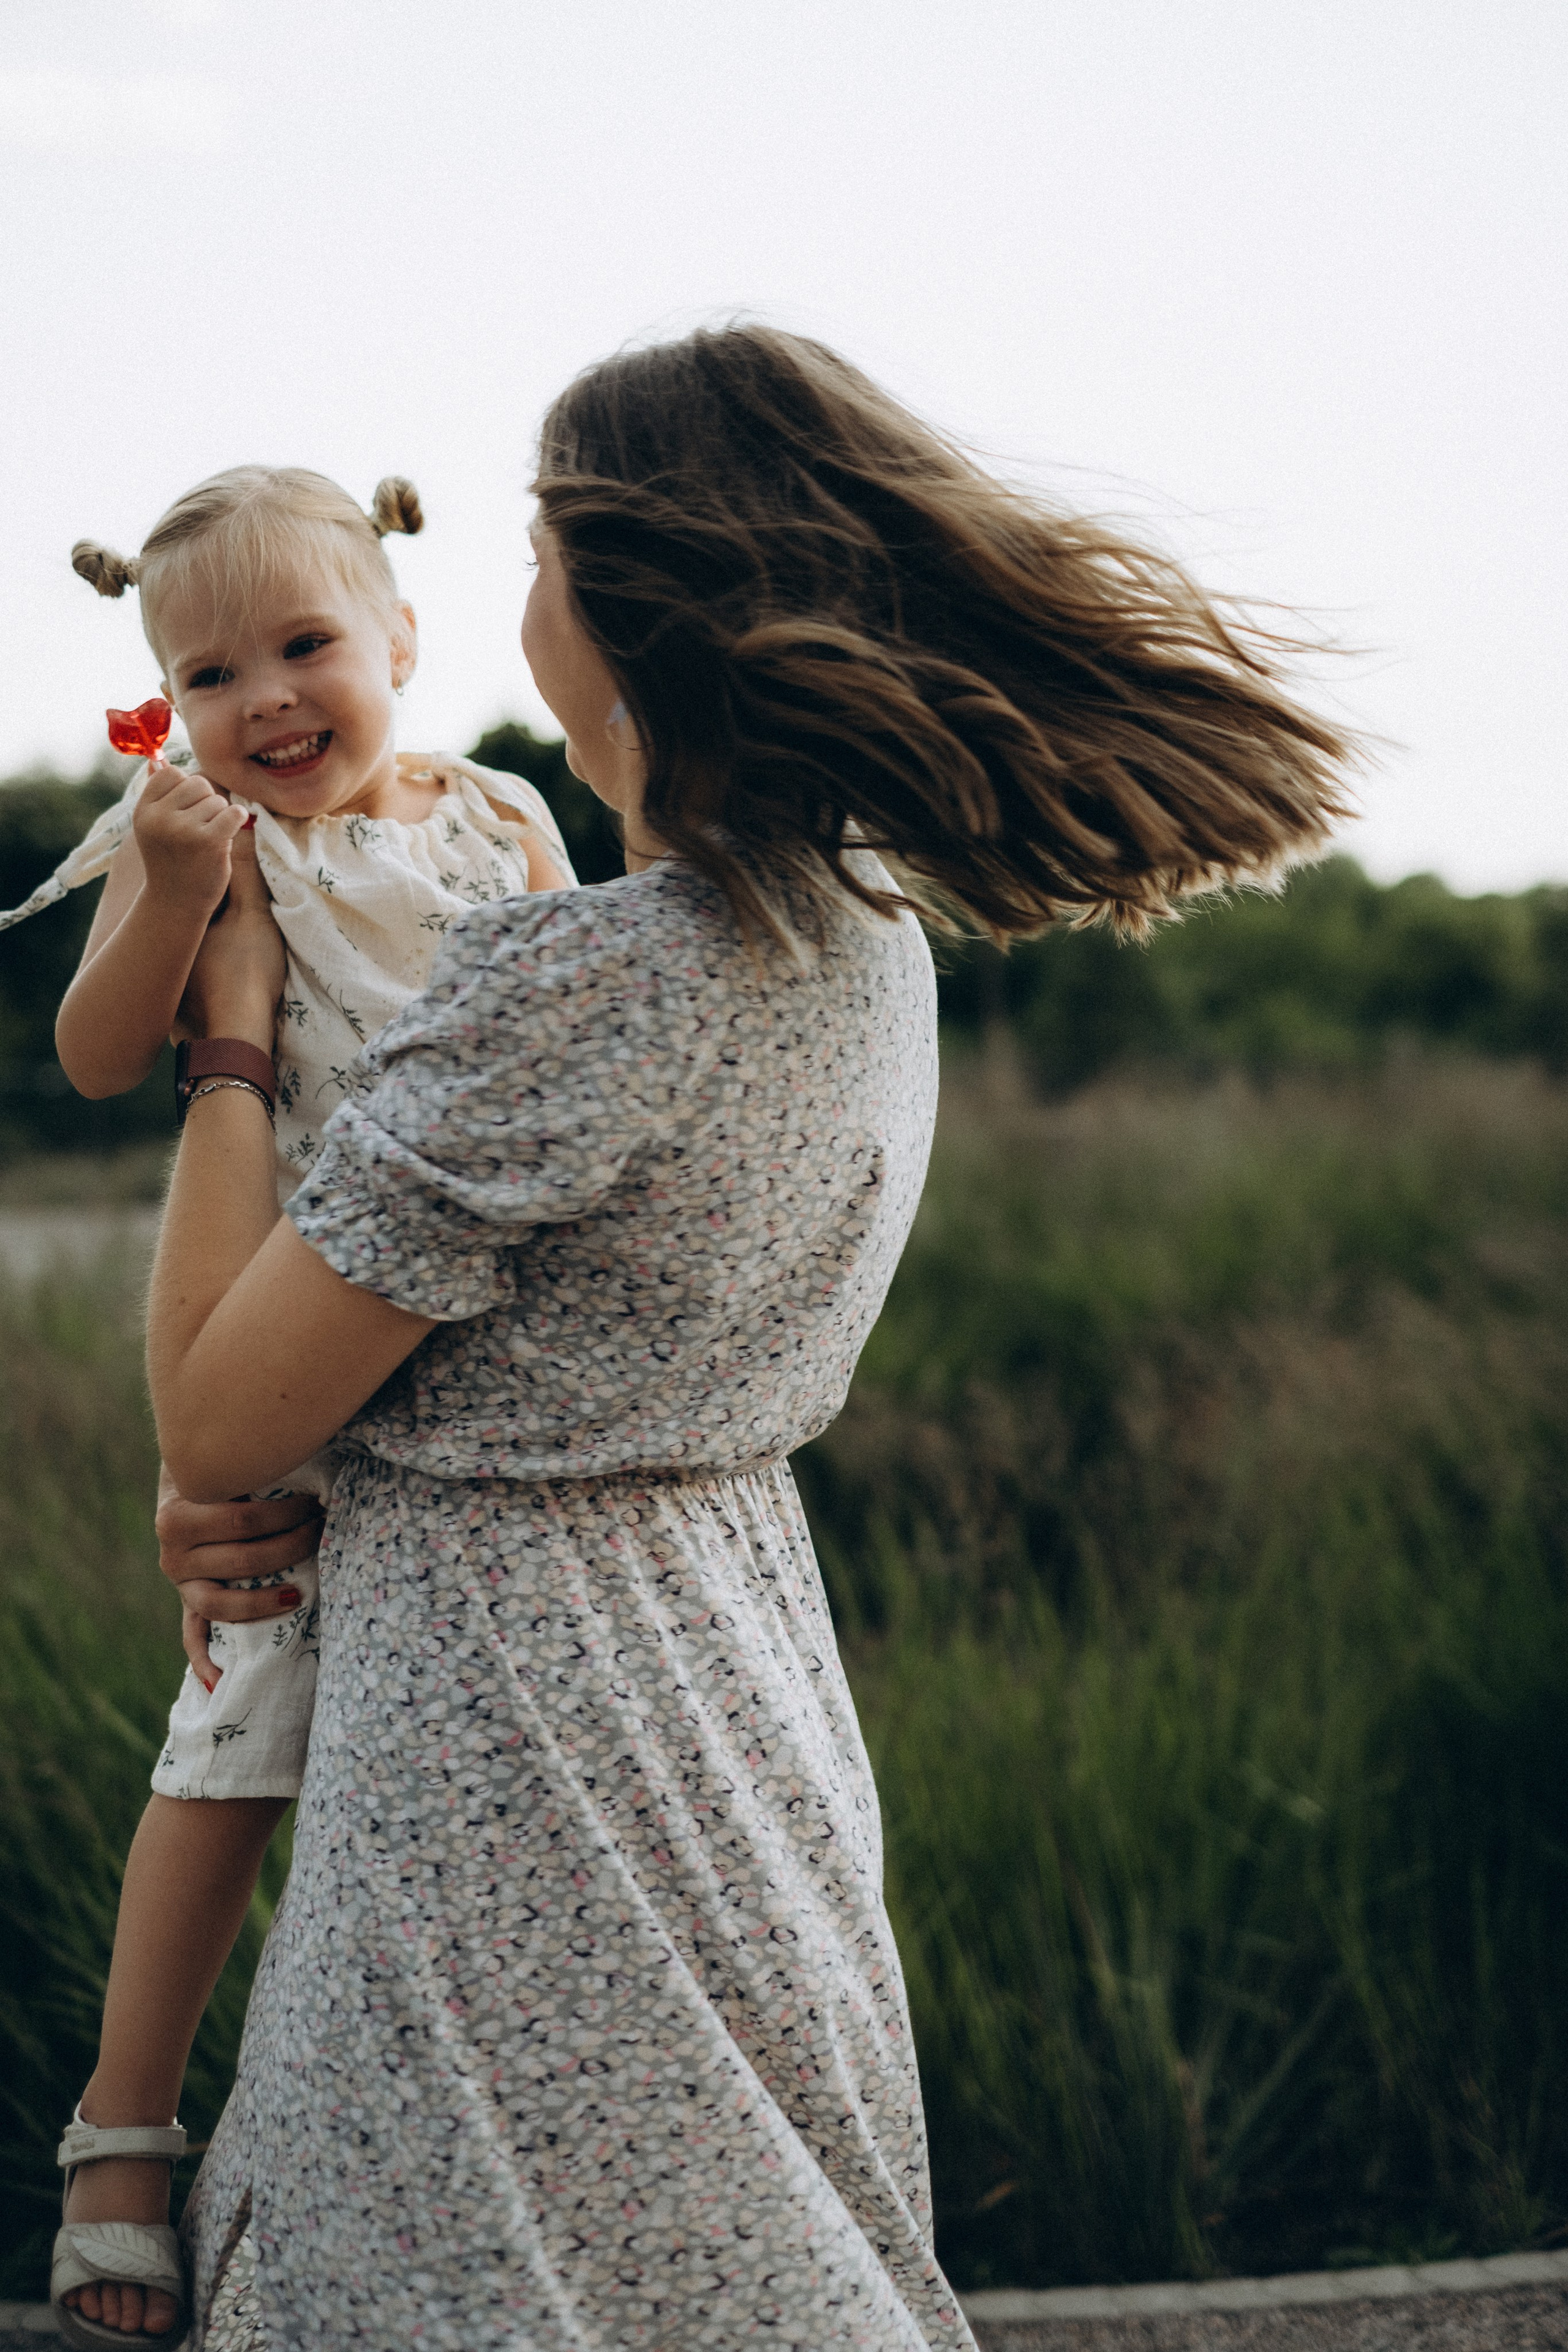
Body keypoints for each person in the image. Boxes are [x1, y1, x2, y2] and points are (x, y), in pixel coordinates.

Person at [145, 326, 1353, 2351]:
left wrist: (228, 1029)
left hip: (506, 1736)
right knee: (720, 2227)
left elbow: (209, 1410)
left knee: (459, 2246)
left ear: (609, 606)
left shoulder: (582, 984)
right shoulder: (862, 933)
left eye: (541, 545)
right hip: (732, 1669)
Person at [30, 466, 575, 2349]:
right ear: (164, 708)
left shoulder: (502, 819)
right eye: (208, 673)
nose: (264, 699)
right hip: (289, 1324)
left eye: (307, 645)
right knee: (236, 1722)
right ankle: (122, 2132)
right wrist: (174, 896)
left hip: (481, 1339)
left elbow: (582, 1022)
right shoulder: (203, 841)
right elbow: (99, 1059)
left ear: (403, 642)